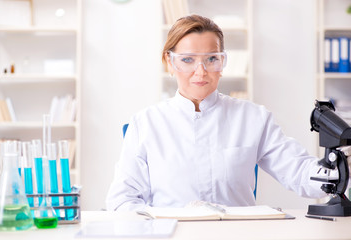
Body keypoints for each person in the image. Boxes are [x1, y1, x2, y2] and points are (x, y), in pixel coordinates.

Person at [106, 14, 351, 211]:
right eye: (188, 60)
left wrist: (340, 166)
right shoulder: (146, 123)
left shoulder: (253, 118)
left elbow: (299, 173)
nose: (200, 72)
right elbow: (122, 200)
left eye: (212, 59)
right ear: (169, 62)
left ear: (222, 62)